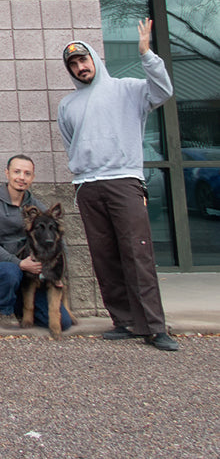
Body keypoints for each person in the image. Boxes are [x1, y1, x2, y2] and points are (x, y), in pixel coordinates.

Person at [58, 21, 178, 351]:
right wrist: (82, 176)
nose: (80, 67)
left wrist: (146, 54)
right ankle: (123, 321)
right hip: (87, 186)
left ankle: (154, 326)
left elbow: (163, 91)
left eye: (84, 60)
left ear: (95, 59)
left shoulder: (128, 89)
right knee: (105, 257)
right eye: (74, 64)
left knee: (137, 254)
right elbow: (72, 144)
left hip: (123, 181)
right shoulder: (67, 105)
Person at [0, 154, 75, 332]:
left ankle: (21, 306)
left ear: (33, 178)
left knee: (64, 323)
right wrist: (20, 263)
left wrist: (61, 273)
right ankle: (6, 311)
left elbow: (59, 240)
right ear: (7, 173)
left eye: (27, 173)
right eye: (17, 172)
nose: (21, 177)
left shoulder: (37, 206)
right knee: (10, 271)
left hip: (34, 274)